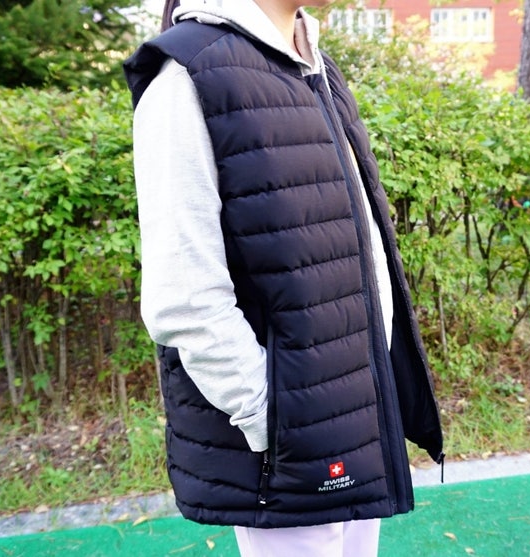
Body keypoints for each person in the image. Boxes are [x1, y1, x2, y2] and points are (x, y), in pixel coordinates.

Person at [124, 1, 444, 555]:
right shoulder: (187, 74)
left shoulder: (315, 64)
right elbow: (185, 299)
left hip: (355, 417)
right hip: (287, 442)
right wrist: (272, 420)